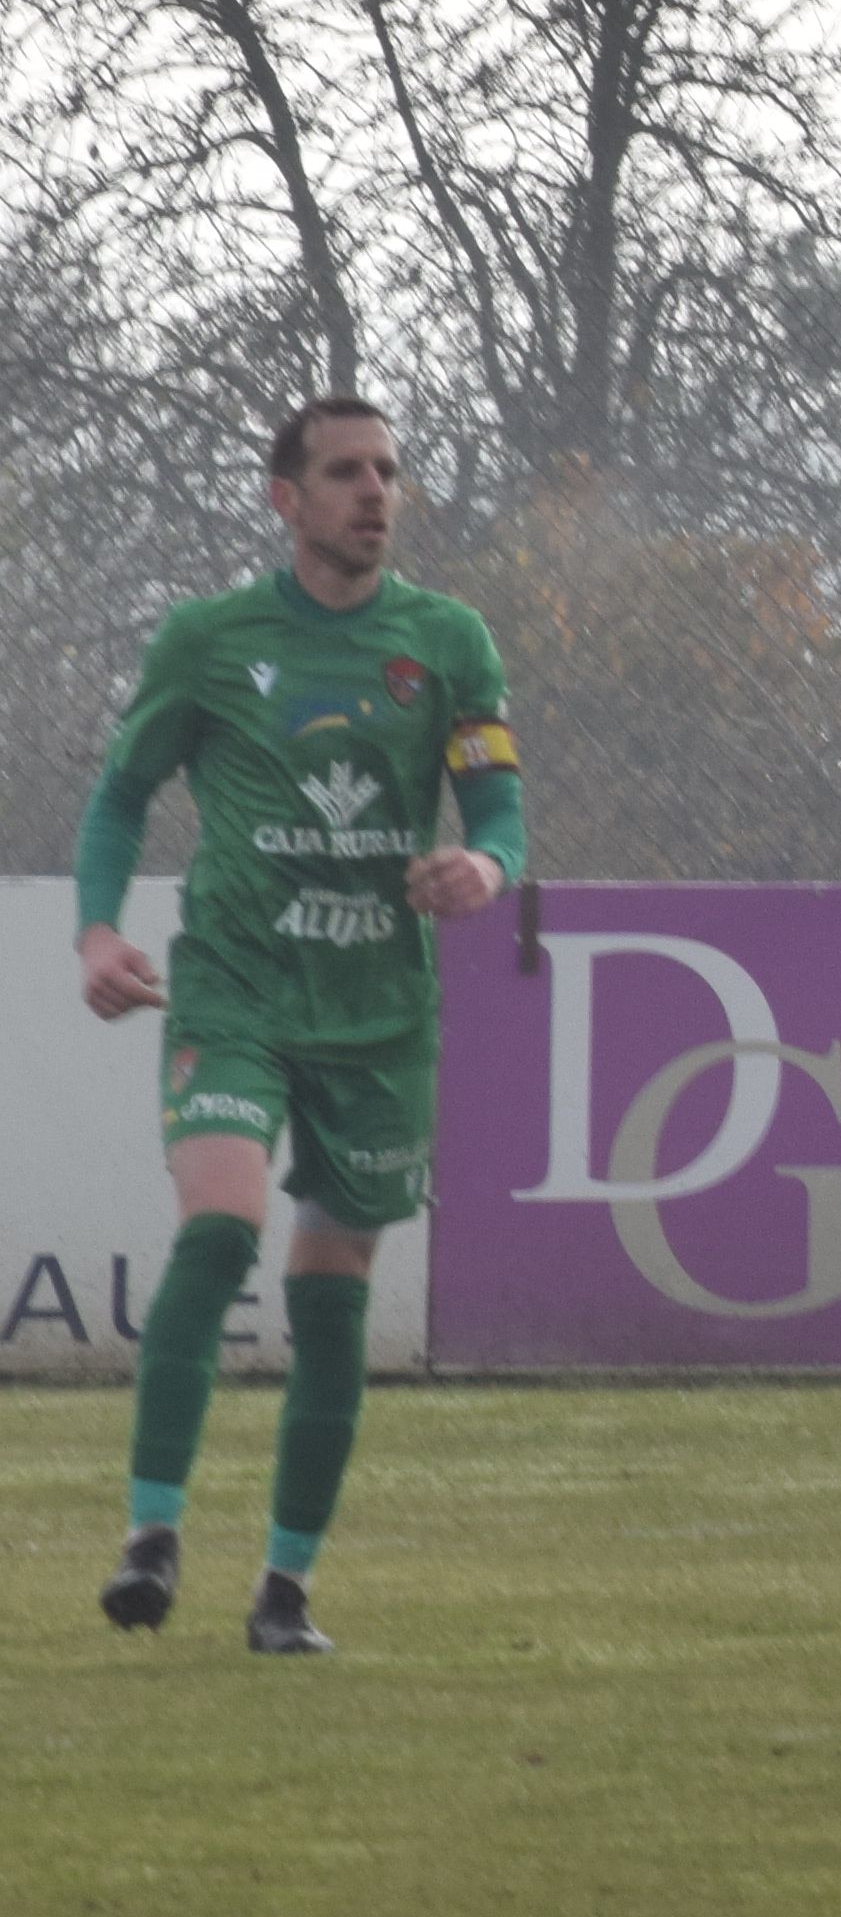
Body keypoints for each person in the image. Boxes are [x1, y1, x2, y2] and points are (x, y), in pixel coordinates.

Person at [77, 398, 520, 1657]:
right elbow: (120, 797)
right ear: (287, 497)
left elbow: (500, 815)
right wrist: (98, 932)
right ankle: (151, 1536)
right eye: (344, 472)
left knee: (333, 1302)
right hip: (237, 988)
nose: (374, 491)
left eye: (387, 470)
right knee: (220, 1224)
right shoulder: (212, 640)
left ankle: (285, 1590)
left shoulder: (448, 641)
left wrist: (482, 871)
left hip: (379, 1015)